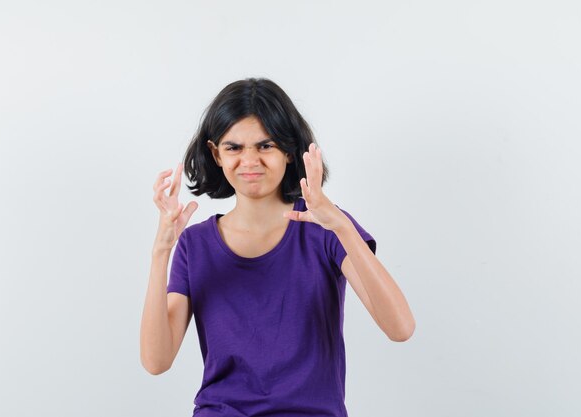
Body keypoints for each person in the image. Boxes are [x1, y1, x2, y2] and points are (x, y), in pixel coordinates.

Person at [140, 77, 415, 417]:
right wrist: (160, 252)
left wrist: (342, 226)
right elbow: (157, 361)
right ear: (216, 153)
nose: (250, 160)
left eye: (265, 145)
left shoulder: (324, 228)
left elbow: (400, 328)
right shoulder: (195, 245)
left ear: (288, 149)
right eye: (234, 147)